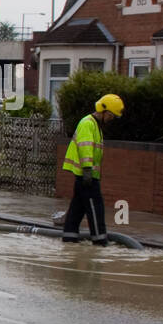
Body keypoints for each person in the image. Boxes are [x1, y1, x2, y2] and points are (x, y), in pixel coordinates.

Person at [61, 94, 123, 246]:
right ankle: (100, 241)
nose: (111, 119)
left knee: (77, 209)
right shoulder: (88, 124)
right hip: (86, 176)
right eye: (111, 116)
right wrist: (88, 170)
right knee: (96, 209)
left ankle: (69, 239)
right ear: (104, 111)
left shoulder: (95, 125)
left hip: (86, 176)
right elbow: (85, 148)